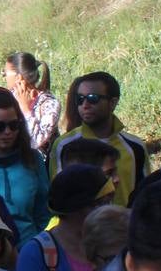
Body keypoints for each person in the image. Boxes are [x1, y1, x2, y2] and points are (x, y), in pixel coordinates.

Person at [17, 165, 114, 271]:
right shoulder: (36, 254)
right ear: (75, 209)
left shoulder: (115, 243)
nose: (109, 209)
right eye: (101, 203)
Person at [47, 72, 148, 207]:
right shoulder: (64, 146)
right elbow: (57, 196)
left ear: (113, 103)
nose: (85, 105)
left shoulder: (135, 147)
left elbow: (145, 194)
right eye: (80, 99)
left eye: (92, 98)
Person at [0, 90, 49, 242]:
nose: (7, 132)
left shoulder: (32, 159)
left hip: (29, 247)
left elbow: (43, 212)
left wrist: (39, 246)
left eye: (14, 125)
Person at [4, 52, 59, 154]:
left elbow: (37, 141)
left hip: (42, 165)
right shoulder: (8, 98)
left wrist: (26, 110)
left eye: (5, 73)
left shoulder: (49, 103)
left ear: (18, 77)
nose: (4, 77)